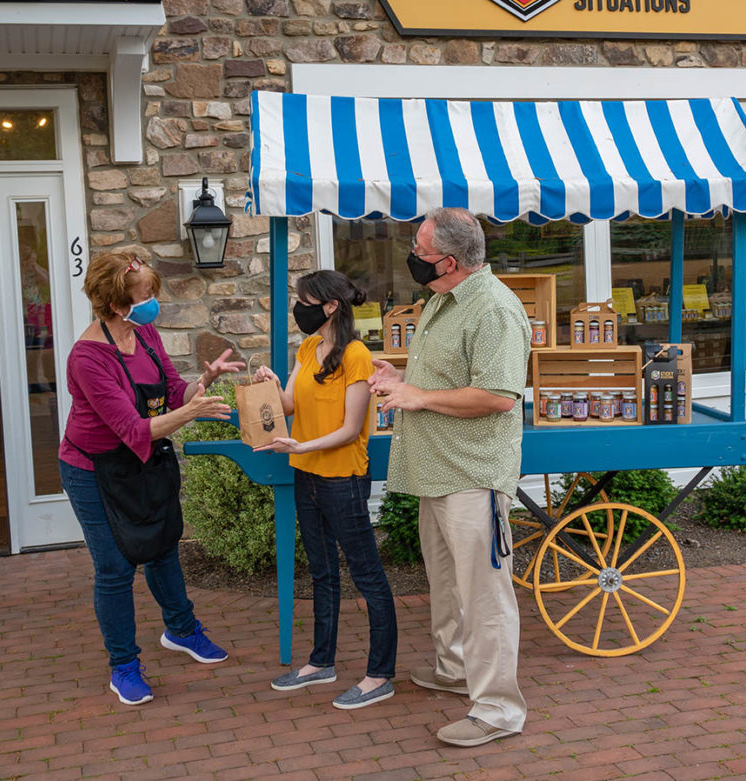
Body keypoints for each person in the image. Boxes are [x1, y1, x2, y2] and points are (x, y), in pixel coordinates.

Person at [368, 207, 531, 747]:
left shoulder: (495, 309)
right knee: (449, 587)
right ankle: (455, 670)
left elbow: (497, 396)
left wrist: (418, 396)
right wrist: (403, 377)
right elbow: (449, 377)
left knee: (484, 597)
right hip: (435, 470)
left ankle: (499, 710)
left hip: (472, 475)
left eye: (420, 249)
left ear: (451, 260)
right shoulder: (443, 298)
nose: (412, 256)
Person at [58, 252, 243, 706]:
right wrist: (190, 413)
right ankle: (123, 666)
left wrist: (202, 382)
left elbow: (169, 389)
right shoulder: (87, 358)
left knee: (162, 546)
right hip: (94, 470)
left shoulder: (146, 333)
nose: (153, 303)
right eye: (146, 296)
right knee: (116, 567)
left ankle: (182, 630)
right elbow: (133, 428)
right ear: (118, 303)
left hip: (145, 460)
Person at [254, 270, 398, 710]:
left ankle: (380, 675)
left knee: (367, 575)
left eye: (306, 300)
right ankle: (321, 663)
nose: (300, 308)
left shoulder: (356, 354)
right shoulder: (309, 347)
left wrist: (301, 444)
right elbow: (292, 405)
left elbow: (351, 429)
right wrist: (270, 386)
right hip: (307, 472)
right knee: (321, 573)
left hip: (343, 478)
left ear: (331, 305)